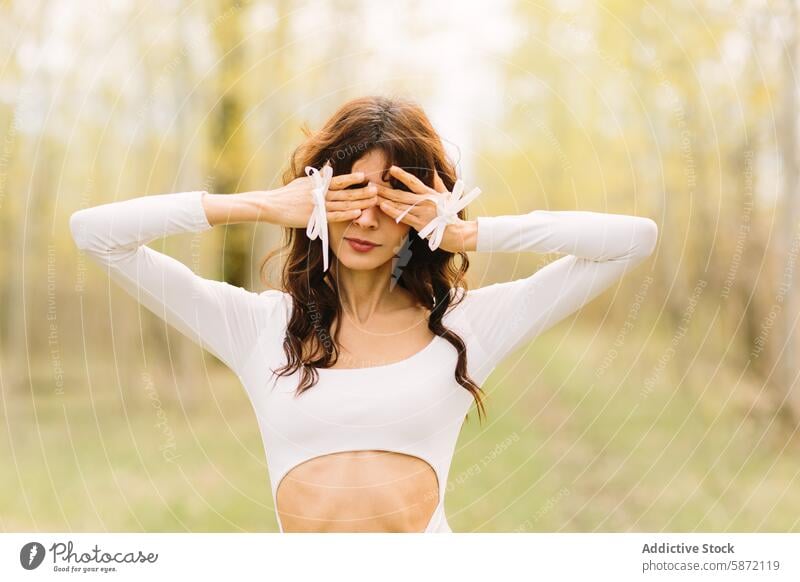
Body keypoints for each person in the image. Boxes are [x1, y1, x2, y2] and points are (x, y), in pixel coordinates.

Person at [69, 95, 658, 533]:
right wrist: (265, 206)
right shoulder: (259, 327)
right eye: (350, 195)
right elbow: (94, 234)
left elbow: (635, 239)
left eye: (391, 200)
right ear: (317, 201)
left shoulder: (468, 325)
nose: (368, 220)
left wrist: (465, 230)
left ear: (419, 211)